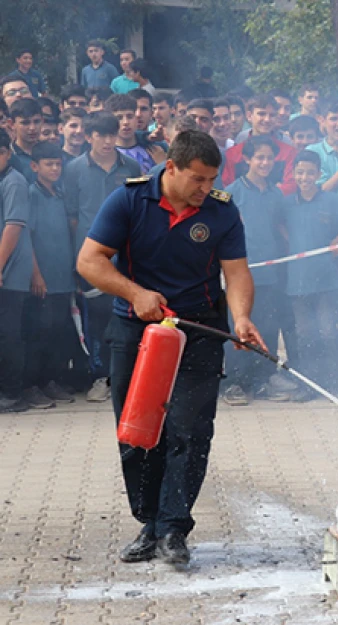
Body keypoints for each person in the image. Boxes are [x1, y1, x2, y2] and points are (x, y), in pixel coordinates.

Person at [76, 130, 262, 565]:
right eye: (197, 179)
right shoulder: (128, 200)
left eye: (211, 178)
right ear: (171, 168)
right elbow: (89, 261)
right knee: (139, 429)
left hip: (199, 328)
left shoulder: (221, 210)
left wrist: (242, 318)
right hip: (136, 329)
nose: (204, 188)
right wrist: (134, 292)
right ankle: (149, 521)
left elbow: (236, 273)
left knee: (190, 429)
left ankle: (174, 528)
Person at [62, 112, 142, 403]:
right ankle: (100, 377)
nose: (108, 141)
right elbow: (72, 216)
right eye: (101, 135)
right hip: (91, 260)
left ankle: (127, 377)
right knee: (96, 321)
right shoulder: (73, 170)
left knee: (126, 319)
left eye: (112, 135)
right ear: (89, 137)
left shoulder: (131, 166)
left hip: (126, 257)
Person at [282, 150, 338, 392]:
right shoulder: (288, 203)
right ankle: (308, 386)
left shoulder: (330, 200)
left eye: (310, 172)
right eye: (300, 172)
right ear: (293, 174)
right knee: (305, 336)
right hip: (298, 282)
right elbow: (278, 222)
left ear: (319, 174)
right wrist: (289, 239)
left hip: (327, 280)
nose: (305, 177)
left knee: (330, 332)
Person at [220, 137, 289, 406]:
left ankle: (263, 380)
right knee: (237, 329)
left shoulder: (275, 193)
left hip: (269, 274)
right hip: (239, 276)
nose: (265, 163)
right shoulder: (231, 192)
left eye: (269, 158)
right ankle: (235, 383)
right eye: (259, 157)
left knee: (268, 328)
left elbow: (278, 228)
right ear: (246, 159)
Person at [24, 141, 79, 408]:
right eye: (49, 164)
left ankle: (50, 381)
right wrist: (36, 274)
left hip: (62, 279)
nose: (55, 168)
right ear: (35, 166)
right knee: (38, 333)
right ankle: (32, 385)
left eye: (58, 163)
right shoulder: (32, 194)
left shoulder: (59, 194)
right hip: (42, 280)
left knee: (58, 331)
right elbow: (27, 237)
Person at [0, 128, 35, 413]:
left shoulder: (14, 181)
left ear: (8, 153)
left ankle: (12, 394)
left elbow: (13, 226)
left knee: (8, 335)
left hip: (9, 273)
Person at [221, 95, 296, 194]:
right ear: (249, 116)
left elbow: (291, 186)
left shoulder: (289, 152)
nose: (267, 119)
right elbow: (226, 188)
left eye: (272, 115)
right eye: (261, 114)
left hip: (278, 207)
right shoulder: (233, 154)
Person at [106, 94, 159, 174]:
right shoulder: (107, 153)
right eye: (119, 118)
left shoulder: (153, 149)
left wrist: (163, 164)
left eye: (130, 116)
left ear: (136, 117)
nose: (126, 122)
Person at [8, 98, 42, 181]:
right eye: (25, 123)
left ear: (43, 121)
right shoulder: (7, 157)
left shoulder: (51, 152)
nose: (32, 128)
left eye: (37, 121)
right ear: (12, 124)